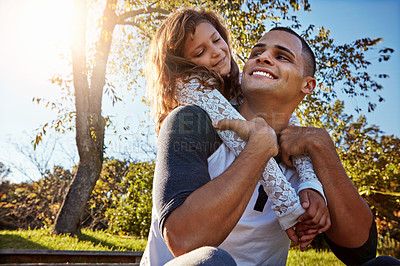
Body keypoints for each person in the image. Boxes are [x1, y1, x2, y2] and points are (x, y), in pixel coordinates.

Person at [141, 8, 400, 266]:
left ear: (307, 85)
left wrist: (322, 146)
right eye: (256, 52)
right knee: (212, 261)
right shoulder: (192, 121)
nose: (263, 57)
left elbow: (361, 252)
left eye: (282, 56)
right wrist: (259, 149)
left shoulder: (303, 155)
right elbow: (184, 241)